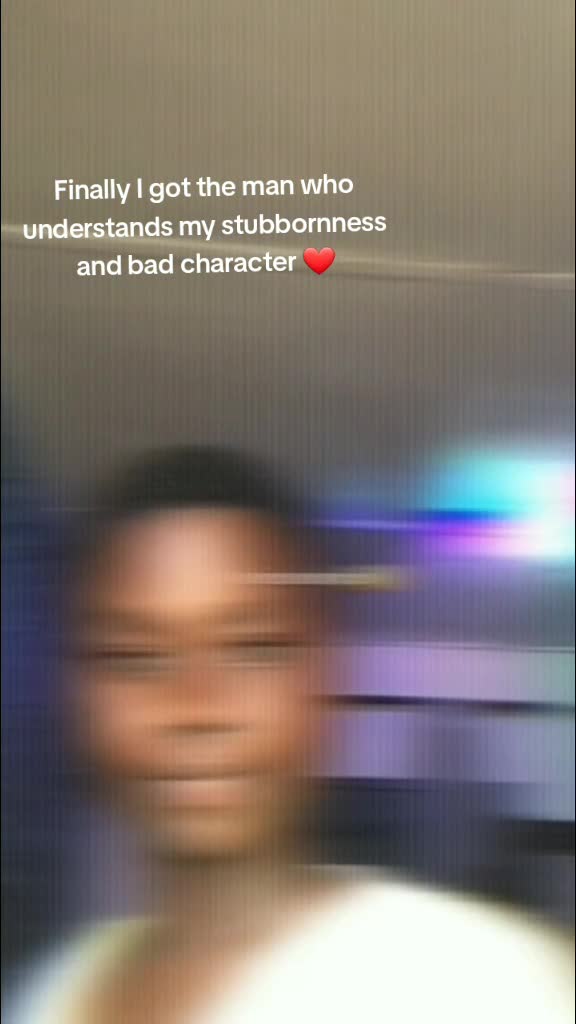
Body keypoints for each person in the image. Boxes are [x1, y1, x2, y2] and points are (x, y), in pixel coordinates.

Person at [6, 447, 574, 1023]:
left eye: (254, 649)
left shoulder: (484, 983)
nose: (196, 708)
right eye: (133, 658)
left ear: (326, 675)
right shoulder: (59, 988)